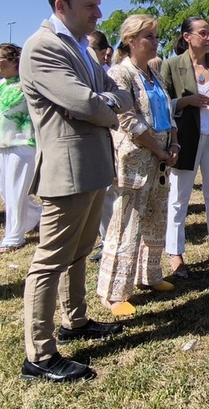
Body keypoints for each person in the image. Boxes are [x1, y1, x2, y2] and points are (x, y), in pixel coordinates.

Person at [19, 0, 131, 382]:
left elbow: (114, 95)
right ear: (60, 5)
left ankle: (76, 320)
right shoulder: (43, 47)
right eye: (90, 6)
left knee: (80, 250)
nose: (99, 13)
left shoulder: (80, 46)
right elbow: (89, 103)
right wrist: (99, 103)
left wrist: (100, 102)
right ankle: (40, 356)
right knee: (50, 260)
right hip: (67, 170)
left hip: (92, 165)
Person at [96, 15, 179, 316]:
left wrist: (174, 144)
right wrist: (158, 148)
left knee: (156, 219)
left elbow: (168, 113)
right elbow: (127, 119)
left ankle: (150, 275)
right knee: (126, 224)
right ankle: (114, 292)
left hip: (160, 162)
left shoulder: (153, 74)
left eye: (156, 36)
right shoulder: (120, 74)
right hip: (135, 161)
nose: (155, 42)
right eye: (149, 36)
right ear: (131, 40)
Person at [161, 17, 209, 276]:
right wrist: (187, 101)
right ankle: (175, 253)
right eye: (203, 33)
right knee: (178, 199)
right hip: (185, 141)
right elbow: (163, 105)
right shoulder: (171, 66)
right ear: (187, 37)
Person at [0, 43, 41, 254]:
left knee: (15, 192)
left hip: (22, 144)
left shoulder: (28, 84)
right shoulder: (1, 85)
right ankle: (39, 216)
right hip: (0, 144)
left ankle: (14, 237)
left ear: (15, 61)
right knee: (7, 193)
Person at [86, 29, 115, 262]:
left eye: (91, 49)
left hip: (114, 142)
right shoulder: (84, 73)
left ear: (105, 52)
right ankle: (105, 240)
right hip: (92, 144)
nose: (85, 54)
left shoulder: (110, 75)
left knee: (110, 195)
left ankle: (111, 243)